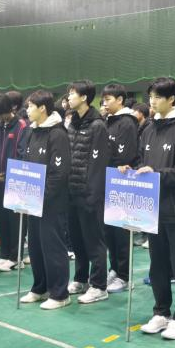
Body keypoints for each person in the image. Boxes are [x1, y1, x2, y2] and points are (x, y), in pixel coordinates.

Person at [136, 77, 175, 340]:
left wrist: (158, 174)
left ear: (171, 99)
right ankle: (161, 312)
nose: (152, 101)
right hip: (153, 210)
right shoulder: (149, 128)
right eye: (150, 96)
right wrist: (132, 170)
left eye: (158, 97)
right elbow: (142, 162)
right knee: (157, 264)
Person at [18, 90, 72, 309]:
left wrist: (42, 196)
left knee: (53, 247)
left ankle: (60, 294)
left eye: (30, 106)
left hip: (51, 203)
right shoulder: (32, 131)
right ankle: (40, 288)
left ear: (42, 108)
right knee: (35, 246)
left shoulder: (57, 134)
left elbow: (59, 173)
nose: (27, 110)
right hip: (32, 202)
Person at [65, 81, 110, 303]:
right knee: (77, 240)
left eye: (72, 94)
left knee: (94, 241)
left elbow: (99, 164)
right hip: (72, 191)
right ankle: (80, 278)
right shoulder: (72, 123)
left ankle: (99, 285)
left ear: (84, 97)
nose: (68, 97)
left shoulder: (98, 126)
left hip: (90, 194)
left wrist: (93, 195)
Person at [101, 83, 139, 291]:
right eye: (104, 99)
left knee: (122, 232)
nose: (104, 103)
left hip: (122, 183)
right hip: (108, 182)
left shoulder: (127, 123)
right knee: (110, 230)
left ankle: (125, 276)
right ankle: (114, 268)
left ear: (120, 100)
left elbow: (126, 156)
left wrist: (115, 166)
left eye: (108, 99)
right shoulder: (108, 121)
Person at [0, 93, 27, 269]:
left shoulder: (22, 126)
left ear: (10, 109)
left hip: (15, 183)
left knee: (16, 221)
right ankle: (4, 254)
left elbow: (23, 154)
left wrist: (10, 174)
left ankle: (16, 257)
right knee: (2, 218)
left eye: (1, 113)